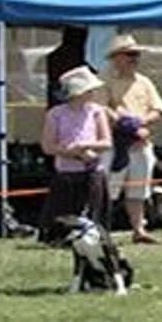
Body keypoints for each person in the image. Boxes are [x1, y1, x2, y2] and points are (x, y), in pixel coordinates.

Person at [97, 35, 162, 244]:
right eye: (129, 54)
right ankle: (102, 230)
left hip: (141, 144)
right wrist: (129, 127)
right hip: (114, 144)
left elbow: (159, 109)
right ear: (116, 58)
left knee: (139, 189)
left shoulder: (144, 81)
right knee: (108, 189)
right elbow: (103, 109)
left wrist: (140, 125)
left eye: (136, 54)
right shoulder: (103, 80)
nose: (134, 58)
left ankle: (139, 230)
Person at [38, 68, 112, 243]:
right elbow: (48, 146)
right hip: (67, 172)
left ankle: (93, 237)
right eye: (89, 90)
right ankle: (59, 237)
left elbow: (106, 142)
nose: (92, 94)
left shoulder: (97, 111)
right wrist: (71, 152)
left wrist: (86, 147)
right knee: (64, 209)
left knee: (93, 209)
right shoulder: (55, 114)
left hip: (93, 170)